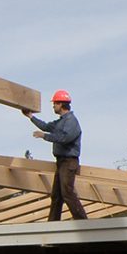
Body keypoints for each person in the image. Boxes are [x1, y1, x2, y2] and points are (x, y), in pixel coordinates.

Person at [22, 90, 88, 221]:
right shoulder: (61, 122)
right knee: (57, 195)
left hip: (69, 161)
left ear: (61, 104)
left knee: (67, 192)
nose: (53, 106)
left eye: (55, 103)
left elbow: (65, 138)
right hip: (61, 161)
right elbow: (46, 126)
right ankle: (52, 223)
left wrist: (44, 136)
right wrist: (30, 116)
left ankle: (82, 221)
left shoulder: (71, 121)